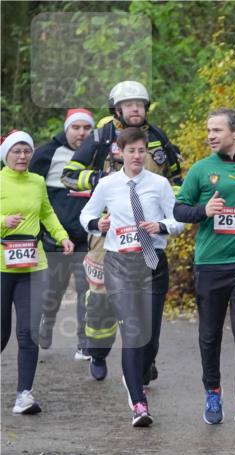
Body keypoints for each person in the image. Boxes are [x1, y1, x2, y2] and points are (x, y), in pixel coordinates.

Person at [62, 81, 183, 382]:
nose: (135, 109)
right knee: (101, 294)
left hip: (148, 234)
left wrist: (170, 216)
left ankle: (145, 360)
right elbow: (69, 175)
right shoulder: (102, 137)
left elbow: (177, 182)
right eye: (129, 105)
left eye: (140, 104)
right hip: (108, 232)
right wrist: (101, 180)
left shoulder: (156, 139)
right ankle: (99, 350)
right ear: (117, 109)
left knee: (148, 301)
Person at [173, 108, 235, 425]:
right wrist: (206, 209)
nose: (210, 136)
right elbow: (179, 210)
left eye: (217, 130)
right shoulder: (201, 170)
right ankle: (212, 392)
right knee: (210, 334)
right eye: (208, 130)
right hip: (210, 263)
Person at [79, 127, 184, 427]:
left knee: (149, 340)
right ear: (120, 152)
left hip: (152, 263)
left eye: (141, 151)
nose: (137, 156)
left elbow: (177, 218)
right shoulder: (108, 185)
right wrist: (97, 224)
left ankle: (142, 368)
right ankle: (138, 403)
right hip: (119, 264)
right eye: (131, 151)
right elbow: (86, 215)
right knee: (133, 333)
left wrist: (162, 227)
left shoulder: (160, 183)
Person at [1, 130, 75, 414]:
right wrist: (3, 220)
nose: (22, 156)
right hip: (2, 265)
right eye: (16, 151)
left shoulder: (37, 181)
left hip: (33, 264)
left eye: (26, 151)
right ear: (6, 155)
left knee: (28, 332)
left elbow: (46, 213)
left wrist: (62, 235)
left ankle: (24, 395)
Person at [29, 108, 95, 359]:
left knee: (87, 291)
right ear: (66, 129)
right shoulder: (47, 153)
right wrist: (38, 232)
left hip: (86, 238)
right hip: (55, 238)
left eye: (86, 128)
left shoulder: (97, 154)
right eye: (76, 128)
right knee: (52, 291)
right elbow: (32, 194)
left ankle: (84, 343)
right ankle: (46, 323)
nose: (81, 133)